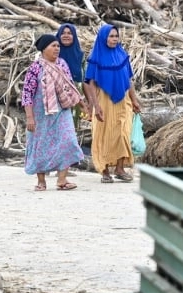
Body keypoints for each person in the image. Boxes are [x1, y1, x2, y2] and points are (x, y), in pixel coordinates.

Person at [21, 34, 85, 191]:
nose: (57, 49)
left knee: (68, 140)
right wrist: (30, 117)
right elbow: (27, 93)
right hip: (41, 113)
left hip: (62, 109)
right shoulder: (35, 68)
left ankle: (62, 180)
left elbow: (69, 85)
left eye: (58, 46)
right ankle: (41, 181)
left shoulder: (62, 64)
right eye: (53, 46)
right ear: (44, 49)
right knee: (40, 144)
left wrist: (81, 102)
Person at [83, 24, 141, 183]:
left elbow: (128, 79)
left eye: (116, 36)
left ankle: (120, 168)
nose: (114, 39)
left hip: (123, 100)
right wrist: (95, 106)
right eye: (111, 36)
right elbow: (91, 83)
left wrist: (134, 100)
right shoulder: (95, 57)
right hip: (103, 100)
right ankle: (104, 171)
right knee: (104, 134)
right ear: (103, 38)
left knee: (123, 133)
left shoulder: (122, 55)